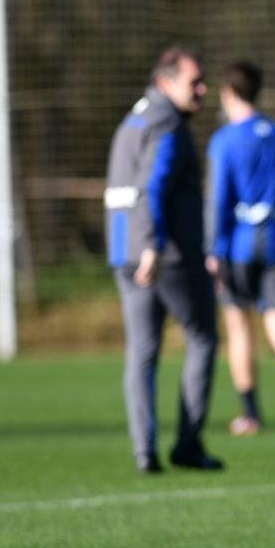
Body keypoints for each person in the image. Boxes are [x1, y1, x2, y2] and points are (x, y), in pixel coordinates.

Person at [104, 46, 222, 474]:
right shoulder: (166, 124)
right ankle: (188, 443)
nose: (203, 90)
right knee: (203, 337)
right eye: (195, 82)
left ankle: (143, 450)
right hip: (164, 252)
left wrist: (136, 247)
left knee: (142, 351)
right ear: (165, 82)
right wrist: (153, 244)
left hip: (123, 250)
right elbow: (151, 187)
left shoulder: (133, 119)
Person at [206, 60, 275, 436]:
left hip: (238, 245)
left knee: (239, 326)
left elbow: (219, 199)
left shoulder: (225, 140)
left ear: (229, 94)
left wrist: (213, 248)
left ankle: (250, 413)